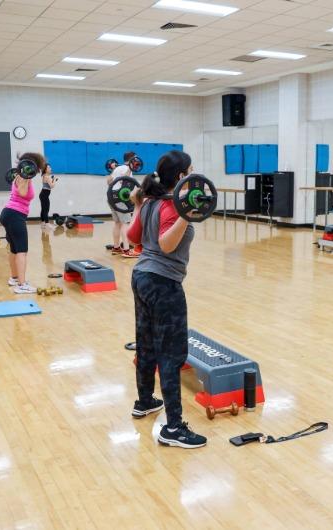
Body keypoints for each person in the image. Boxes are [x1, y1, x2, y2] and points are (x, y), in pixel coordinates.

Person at [126, 150, 206, 449]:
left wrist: (138, 206)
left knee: (146, 343)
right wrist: (185, 216)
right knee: (171, 354)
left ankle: (145, 401)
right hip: (163, 284)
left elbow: (134, 238)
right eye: (191, 170)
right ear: (183, 176)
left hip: (142, 278)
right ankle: (173, 428)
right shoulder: (172, 206)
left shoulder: (151, 202)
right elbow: (166, 244)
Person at [0, 152, 47, 294]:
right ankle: (21, 285)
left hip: (9, 213)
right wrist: (26, 179)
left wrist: (27, 178)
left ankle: (14, 278)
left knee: (14, 249)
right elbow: (21, 193)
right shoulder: (23, 178)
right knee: (22, 250)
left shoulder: (20, 176)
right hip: (15, 215)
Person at [108, 152, 139, 258]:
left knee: (117, 223)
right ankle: (126, 250)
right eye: (135, 159)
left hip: (111, 197)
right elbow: (125, 180)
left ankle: (116, 248)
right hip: (120, 199)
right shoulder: (127, 169)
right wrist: (129, 169)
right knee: (125, 223)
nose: (137, 161)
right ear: (132, 159)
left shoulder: (117, 168)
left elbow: (108, 182)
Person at [39, 164, 57, 230]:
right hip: (44, 195)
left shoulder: (45, 176)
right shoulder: (47, 176)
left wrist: (52, 180)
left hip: (43, 195)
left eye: (50, 167)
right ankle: (47, 224)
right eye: (49, 167)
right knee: (46, 209)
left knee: (44, 209)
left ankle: (43, 223)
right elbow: (52, 186)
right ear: (46, 169)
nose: (50, 168)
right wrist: (54, 180)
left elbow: (49, 185)